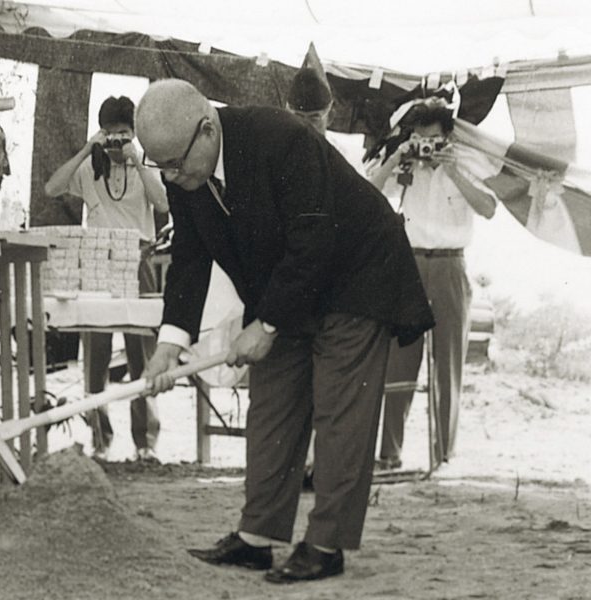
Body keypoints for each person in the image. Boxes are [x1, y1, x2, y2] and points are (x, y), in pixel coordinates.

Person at [136, 79, 434, 584]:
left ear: (207, 129)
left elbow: (313, 241)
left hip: (355, 276)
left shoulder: (283, 138)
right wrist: (171, 343)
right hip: (290, 282)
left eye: (175, 163)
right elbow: (189, 256)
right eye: (158, 165)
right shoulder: (182, 167)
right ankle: (256, 538)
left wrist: (268, 323)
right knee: (272, 402)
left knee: (340, 410)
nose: (168, 175)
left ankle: (326, 543)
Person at [367, 98, 497, 470]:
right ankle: (389, 454)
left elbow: (488, 208)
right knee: (399, 363)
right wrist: (397, 158)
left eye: (434, 140)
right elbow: (368, 195)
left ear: (447, 138)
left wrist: (452, 171)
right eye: (421, 139)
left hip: (449, 264)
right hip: (408, 265)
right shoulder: (403, 165)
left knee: (448, 363)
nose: (428, 147)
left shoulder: (464, 165)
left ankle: (443, 455)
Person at [44, 95, 169, 462]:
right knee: (95, 355)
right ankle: (100, 438)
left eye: (123, 134)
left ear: (134, 133)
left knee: (140, 354)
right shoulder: (91, 167)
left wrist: (135, 155)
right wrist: (88, 149)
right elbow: (52, 188)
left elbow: (162, 203)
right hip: (97, 258)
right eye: (110, 135)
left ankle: (145, 442)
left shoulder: (144, 163)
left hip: (138, 257)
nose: (116, 143)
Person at [285, 65, 365, 491]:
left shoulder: (342, 162)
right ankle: (294, 466)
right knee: (293, 388)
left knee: (327, 389)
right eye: (299, 117)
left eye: (314, 117)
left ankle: (317, 468)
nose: (308, 125)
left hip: (332, 289)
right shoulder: (275, 156)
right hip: (292, 288)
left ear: (330, 113)